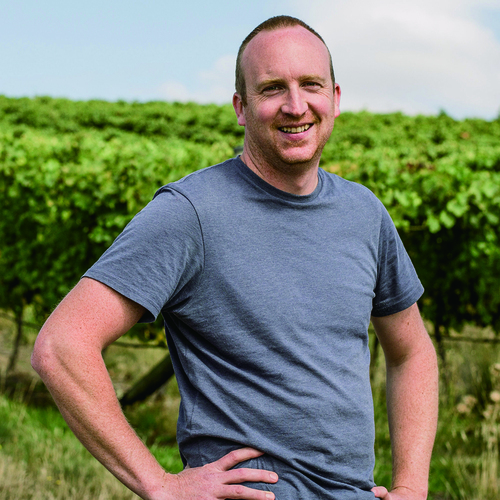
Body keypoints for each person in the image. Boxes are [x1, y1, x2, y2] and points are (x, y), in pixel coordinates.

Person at [32, 15, 438, 500]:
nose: (295, 105)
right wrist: (159, 484)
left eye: (311, 84)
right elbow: (62, 346)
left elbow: (412, 352)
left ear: (334, 97)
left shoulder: (364, 213)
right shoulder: (191, 213)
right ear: (241, 108)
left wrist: (412, 486)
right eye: (272, 88)